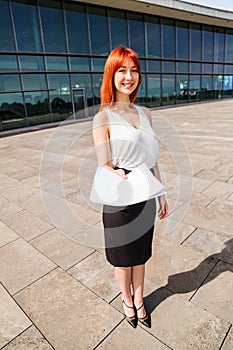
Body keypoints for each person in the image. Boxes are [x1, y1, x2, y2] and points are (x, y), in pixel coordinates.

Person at [92, 46, 168, 329]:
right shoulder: (103, 117)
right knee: (124, 258)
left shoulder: (146, 112)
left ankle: (139, 298)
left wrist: (160, 194)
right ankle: (126, 299)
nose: (129, 76)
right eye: (122, 70)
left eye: (134, 70)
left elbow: (153, 157)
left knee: (141, 253)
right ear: (111, 75)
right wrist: (120, 178)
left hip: (146, 194)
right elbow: (105, 163)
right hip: (121, 196)